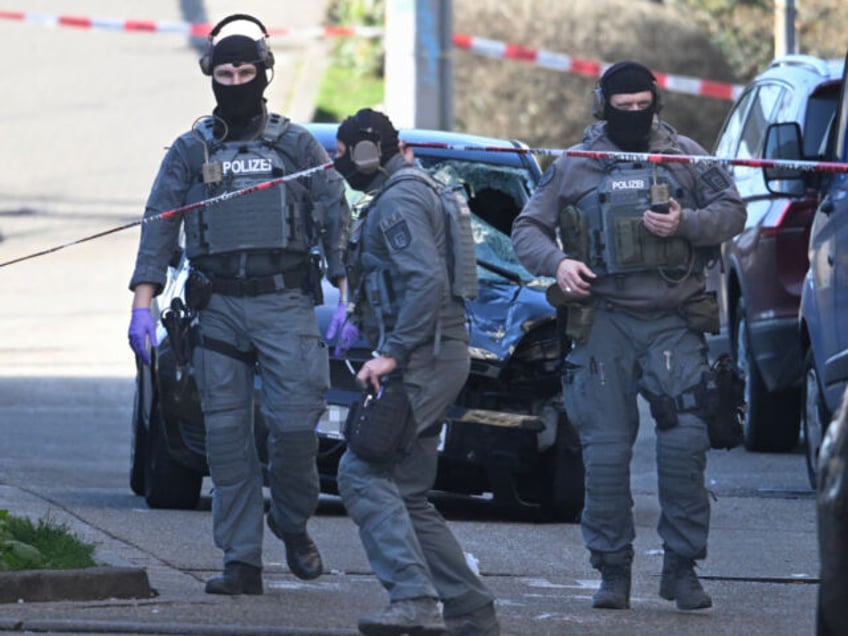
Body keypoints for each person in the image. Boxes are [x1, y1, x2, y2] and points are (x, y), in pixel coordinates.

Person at [127, 14, 351, 595]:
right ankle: (241, 561)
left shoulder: (297, 144)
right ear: (210, 76)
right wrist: (143, 303)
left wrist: (348, 296)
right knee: (226, 442)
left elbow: (335, 218)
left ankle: (292, 521)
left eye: (245, 70)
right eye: (224, 72)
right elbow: (160, 222)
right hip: (217, 306)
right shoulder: (191, 148)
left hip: (284, 303)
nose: (234, 81)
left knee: (298, 429)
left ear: (264, 73)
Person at [511, 61, 746, 611]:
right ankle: (612, 570)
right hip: (604, 322)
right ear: (604, 105)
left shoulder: (687, 156)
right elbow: (528, 227)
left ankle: (682, 569)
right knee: (605, 456)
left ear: (656, 102)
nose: (635, 116)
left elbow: (733, 212)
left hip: (672, 319)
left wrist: (685, 223)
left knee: (686, 446)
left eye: (644, 107)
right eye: (625, 108)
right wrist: (559, 263)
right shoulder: (576, 164)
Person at [331, 108, 500, 636]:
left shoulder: (401, 199)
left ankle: (414, 600)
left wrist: (393, 353)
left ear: (365, 151)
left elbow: (425, 281)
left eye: (342, 155)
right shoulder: (410, 190)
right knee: (405, 490)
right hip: (432, 352)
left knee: (360, 473)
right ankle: (470, 609)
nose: (339, 165)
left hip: (422, 358)